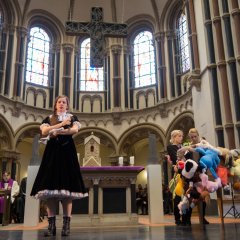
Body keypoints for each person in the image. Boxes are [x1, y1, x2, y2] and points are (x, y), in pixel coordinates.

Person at [31, 95, 88, 237]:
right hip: (52, 154)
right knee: (50, 190)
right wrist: (61, 125)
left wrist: (58, 132)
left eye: (64, 102)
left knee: (67, 191)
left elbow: (74, 130)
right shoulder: (48, 119)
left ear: (67, 105)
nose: (61, 104)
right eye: (59, 102)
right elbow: (44, 132)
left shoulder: (72, 117)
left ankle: (66, 226)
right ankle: (51, 226)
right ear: (55, 104)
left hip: (67, 153)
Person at [187, 128, 209, 224]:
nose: (194, 138)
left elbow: (208, 156)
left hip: (203, 174)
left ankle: (202, 217)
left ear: (198, 135)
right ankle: (188, 217)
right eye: (192, 137)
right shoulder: (189, 147)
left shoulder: (203, 144)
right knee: (193, 197)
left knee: (203, 197)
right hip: (193, 176)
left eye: (195, 136)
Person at [166, 130, 184, 225]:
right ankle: (177, 219)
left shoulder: (183, 147)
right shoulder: (170, 147)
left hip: (185, 171)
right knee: (177, 196)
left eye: (182, 136)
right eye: (179, 136)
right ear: (174, 137)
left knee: (185, 196)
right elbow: (175, 157)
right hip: (177, 173)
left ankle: (185, 217)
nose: (181, 137)